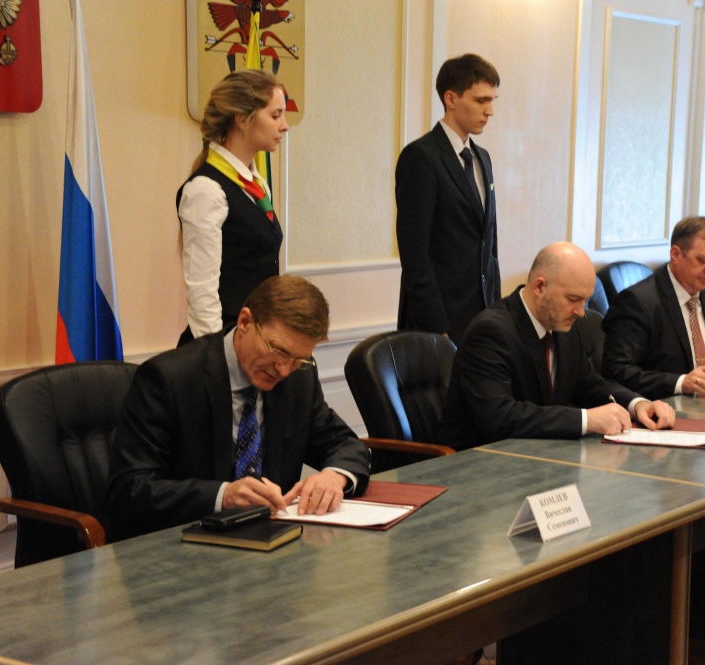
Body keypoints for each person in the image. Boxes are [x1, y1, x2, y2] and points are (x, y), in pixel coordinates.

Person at [108, 275, 370, 541]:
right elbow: (129, 490)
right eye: (278, 351)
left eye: (298, 359)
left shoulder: (298, 378)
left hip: (274, 544)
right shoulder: (169, 379)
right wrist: (222, 496)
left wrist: (334, 476)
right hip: (183, 546)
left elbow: (346, 444)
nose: (283, 370)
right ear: (245, 322)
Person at [436, 242, 675, 451]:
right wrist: (586, 419)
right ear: (540, 287)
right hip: (477, 462)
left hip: (537, 456)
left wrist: (638, 404)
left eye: (585, 300)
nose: (581, 312)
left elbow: (589, 384)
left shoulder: (562, 325)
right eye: (573, 299)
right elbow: (500, 417)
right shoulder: (491, 332)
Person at [600, 216, 705, 401]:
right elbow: (616, 370)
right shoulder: (637, 301)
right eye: (703, 260)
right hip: (660, 407)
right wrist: (680, 383)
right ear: (676, 254)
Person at [177, 70, 288, 346]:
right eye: (276, 115)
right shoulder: (206, 189)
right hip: (225, 344)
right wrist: (217, 357)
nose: (284, 125)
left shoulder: (256, 184)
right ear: (242, 119)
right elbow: (203, 296)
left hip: (258, 338)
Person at [396, 54, 501, 346]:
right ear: (451, 99)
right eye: (481, 100)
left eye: (492, 100)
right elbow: (415, 255)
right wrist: (436, 327)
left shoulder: (483, 158)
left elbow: (489, 246)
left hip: (482, 318)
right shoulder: (421, 157)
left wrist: (496, 314)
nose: (490, 111)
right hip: (439, 323)